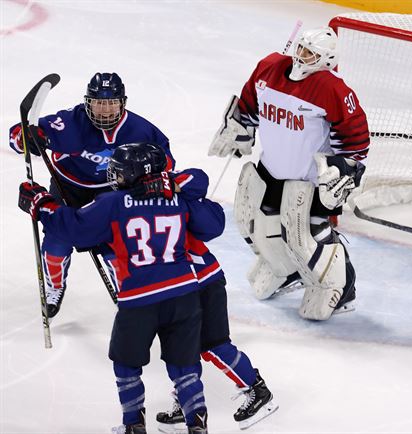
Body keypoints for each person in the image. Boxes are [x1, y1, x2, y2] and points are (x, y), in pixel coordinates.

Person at [18, 142, 218, 433]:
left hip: (140, 298)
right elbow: (213, 222)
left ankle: (133, 425)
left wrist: (41, 204)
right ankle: (197, 424)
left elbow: (74, 228)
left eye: (121, 173)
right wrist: (176, 186)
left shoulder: (113, 203)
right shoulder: (178, 198)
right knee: (184, 364)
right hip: (185, 293)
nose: (115, 177)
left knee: (126, 364)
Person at [208, 27, 369, 321]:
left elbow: (355, 137)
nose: (302, 56)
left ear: (326, 59)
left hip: (307, 178)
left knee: (306, 234)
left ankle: (340, 288)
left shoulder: (332, 89)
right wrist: (239, 126)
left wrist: (343, 170)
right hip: (271, 168)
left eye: (311, 53)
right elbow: (249, 104)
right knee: (254, 223)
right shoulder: (270, 67)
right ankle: (285, 271)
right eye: (301, 48)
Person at [9, 72, 173, 318]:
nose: (105, 110)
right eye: (99, 103)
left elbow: (166, 161)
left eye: (111, 103)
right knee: (56, 245)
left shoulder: (141, 130)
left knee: (116, 250)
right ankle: (54, 287)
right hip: (69, 190)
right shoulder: (70, 122)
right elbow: (15, 136)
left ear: (122, 102)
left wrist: (150, 178)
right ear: (88, 102)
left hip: (113, 193)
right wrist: (27, 139)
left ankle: (128, 291)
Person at [133, 171, 278, 430]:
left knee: (213, 345)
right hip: (173, 290)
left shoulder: (171, 196)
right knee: (181, 351)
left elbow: (198, 179)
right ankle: (186, 403)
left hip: (203, 282)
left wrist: (173, 183)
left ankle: (257, 391)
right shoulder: (126, 203)